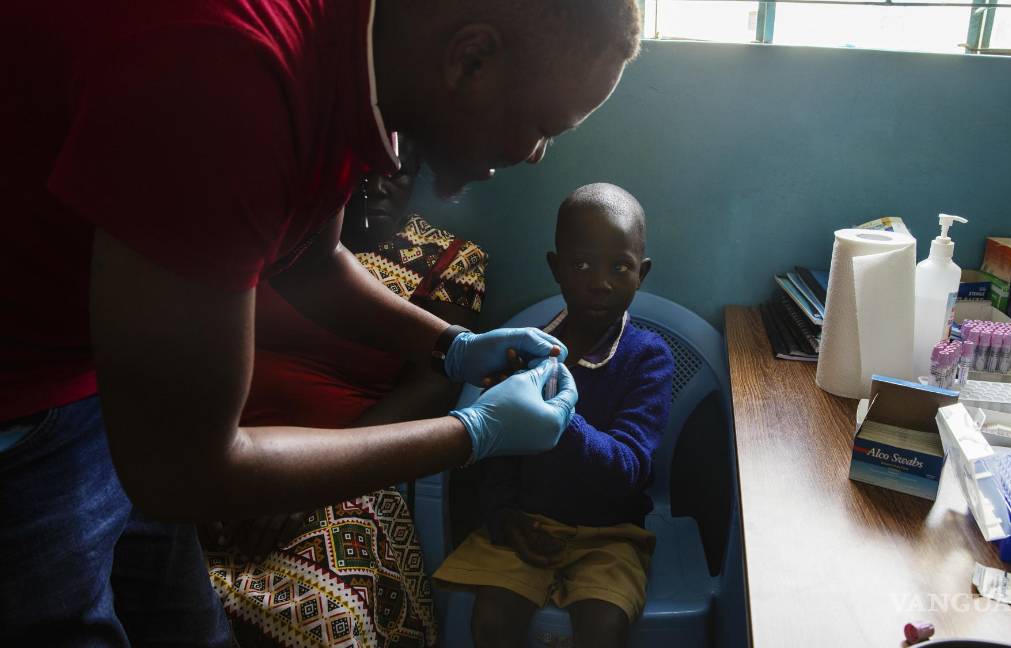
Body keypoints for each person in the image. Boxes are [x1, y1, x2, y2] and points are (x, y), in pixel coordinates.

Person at [0, 2, 640, 644]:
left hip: (93, 380)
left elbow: (309, 258)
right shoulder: (229, 77)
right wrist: (472, 433)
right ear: (470, 59)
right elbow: (186, 470)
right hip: (21, 404)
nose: (535, 155)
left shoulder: (359, 62)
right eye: (542, 126)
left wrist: (452, 347)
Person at [206, 145, 486, 647]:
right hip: (227, 446)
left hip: (350, 462)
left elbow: (435, 382)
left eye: (395, 173)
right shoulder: (280, 238)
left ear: (417, 175)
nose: (374, 185)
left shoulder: (449, 259)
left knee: (318, 619)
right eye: (361, 171)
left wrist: (314, 477)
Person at [433, 183, 674, 648]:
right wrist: (504, 517)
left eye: (619, 267)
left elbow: (629, 469)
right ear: (556, 268)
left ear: (640, 274)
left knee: (605, 626)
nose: (600, 282)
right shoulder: (525, 350)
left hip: (612, 534)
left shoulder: (648, 357)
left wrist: (559, 422)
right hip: (529, 523)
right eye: (581, 264)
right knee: (492, 620)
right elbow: (498, 455)